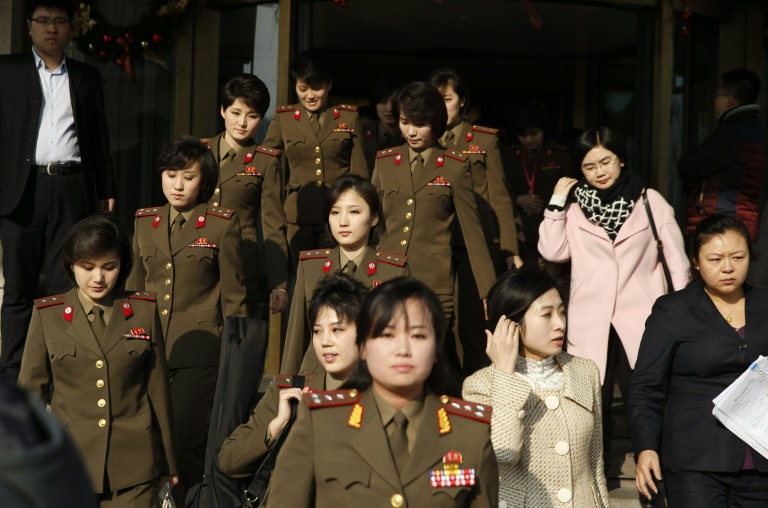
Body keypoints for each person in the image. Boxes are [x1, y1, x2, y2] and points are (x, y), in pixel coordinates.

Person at [266, 277, 499, 507]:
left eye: (418, 336)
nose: (403, 349)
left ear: (436, 348)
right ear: (364, 346)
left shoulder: (470, 434)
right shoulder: (320, 422)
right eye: (387, 335)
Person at [537, 126, 690, 474]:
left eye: (606, 161)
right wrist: (557, 203)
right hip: (590, 314)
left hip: (644, 314)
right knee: (593, 393)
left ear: (621, 159)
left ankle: (649, 462)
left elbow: (678, 263)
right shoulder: (574, 208)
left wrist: (684, 311)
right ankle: (596, 467)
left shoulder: (650, 201)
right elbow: (552, 250)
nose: (600, 172)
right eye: (589, 167)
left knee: (642, 391)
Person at [18, 215, 176, 506]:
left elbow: (158, 391)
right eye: (87, 267)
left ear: (123, 265)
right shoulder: (47, 315)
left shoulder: (143, 311)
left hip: (135, 466)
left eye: (109, 267)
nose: (98, 278)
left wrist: (168, 464)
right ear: (71, 266)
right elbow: (31, 396)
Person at [126, 136, 246, 503]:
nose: (177, 185)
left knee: (184, 442)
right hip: (148, 348)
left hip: (200, 349)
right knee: (148, 438)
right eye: (171, 174)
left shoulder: (221, 224)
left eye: (188, 177)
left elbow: (234, 299)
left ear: (204, 181)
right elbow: (133, 291)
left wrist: (235, 358)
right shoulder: (145, 221)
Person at [0, 0, 115, 382]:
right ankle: (14, 371)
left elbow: (98, 136)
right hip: (22, 189)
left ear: (71, 28)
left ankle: (57, 368)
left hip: (70, 186)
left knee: (64, 282)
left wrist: (107, 186)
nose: (52, 28)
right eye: (43, 21)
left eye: (60, 21)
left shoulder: (85, 76)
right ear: (29, 27)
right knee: (18, 286)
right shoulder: (8, 70)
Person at [630, 215, 768, 507]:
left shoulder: (765, 304)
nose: (728, 267)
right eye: (715, 259)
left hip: (761, 458)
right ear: (696, 261)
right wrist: (645, 447)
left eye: (738, 257)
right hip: (694, 460)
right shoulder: (673, 310)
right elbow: (646, 386)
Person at [372, 82, 497, 372]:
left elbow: (473, 233)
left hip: (434, 280)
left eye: (420, 123)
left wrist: (487, 291)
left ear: (436, 123)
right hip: (386, 276)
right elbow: (370, 221)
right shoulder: (385, 161)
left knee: (431, 359)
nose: (411, 131)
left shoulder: (455, 165)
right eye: (405, 122)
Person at [463, 268, 610, 507]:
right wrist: (504, 374)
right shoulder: (479, 386)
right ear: (509, 323)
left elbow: (595, 466)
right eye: (547, 315)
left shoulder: (585, 372)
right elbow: (503, 453)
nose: (560, 323)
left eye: (562, 312)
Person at [218, 273, 367, 478]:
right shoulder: (289, 392)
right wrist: (276, 427)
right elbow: (227, 461)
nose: (325, 341)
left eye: (337, 330)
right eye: (317, 331)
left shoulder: (384, 396)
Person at [429, 67, 522, 376]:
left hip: (477, 247)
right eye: (436, 100)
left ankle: (477, 402)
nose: (442, 106)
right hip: (437, 244)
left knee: (475, 327)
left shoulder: (482, 139)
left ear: (463, 101)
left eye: (447, 98)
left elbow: (500, 196)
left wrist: (509, 249)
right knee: (438, 326)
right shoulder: (425, 142)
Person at [280, 173, 408, 373]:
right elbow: (296, 338)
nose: (343, 222)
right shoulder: (311, 265)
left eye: (354, 212)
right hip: (317, 379)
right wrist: (286, 387)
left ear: (374, 217)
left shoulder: (394, 271)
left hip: (370, 379)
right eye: (335, 212)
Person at [262, 50, 369, 264]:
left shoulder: (348, 116)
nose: (310, 95)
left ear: (329, 84)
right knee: (301, 280)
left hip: (339, 215)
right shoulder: (285, 118)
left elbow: (359, 172)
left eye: (317, 88)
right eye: (303, 89)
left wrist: (358, 211)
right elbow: (267, 162)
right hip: (298, 215)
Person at [201, 74, 289, 317]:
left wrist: (278, 283)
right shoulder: (198, 152)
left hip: (241, 262)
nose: (242, 122)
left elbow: (273, 224)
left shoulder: (266, 160)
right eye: (235, 113)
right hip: (196, 258)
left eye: (252, 116)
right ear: (222, 111)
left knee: (236, 342)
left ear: (261, 120)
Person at [678, 68, 766, 242]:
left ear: (729, 101)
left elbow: (688, 166)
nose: (714, 101)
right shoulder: (754, 129)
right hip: (741, 222)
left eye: (718, 95)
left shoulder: (733, 131)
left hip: (723, 225)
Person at [502, 103, 571, 269]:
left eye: (533, 134)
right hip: (521, 230)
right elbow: (499, 190)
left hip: (550, 226)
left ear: (543, 131)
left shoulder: (558, 155)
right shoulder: (509, 156)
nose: (528, 139)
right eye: (523, 135)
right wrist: (518, 200)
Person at [363, 75, 403, 168]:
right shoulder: (362, 134)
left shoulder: (412, 135)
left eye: (394, 103)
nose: (389, 108)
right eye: (383, 102)